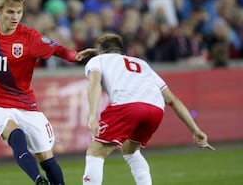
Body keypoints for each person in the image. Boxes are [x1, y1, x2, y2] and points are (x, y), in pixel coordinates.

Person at [0, 0, 96, 185]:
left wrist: (75, 55)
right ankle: (38, 180)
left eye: (19, 12)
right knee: (16, 135)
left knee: (46, 157)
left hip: (25, 105)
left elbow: (57, 49)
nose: (15, 17)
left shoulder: (30, 37)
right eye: (10, 12)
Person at [82, 33, 214, 185]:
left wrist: (92, 115)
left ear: (99, 51)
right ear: (123, 52)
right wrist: (195, 130)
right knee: (130, 150)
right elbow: (172, 100)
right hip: (156, 110)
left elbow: (94, 82)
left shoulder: (97, 60)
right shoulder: (142, 64)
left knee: (95, 152)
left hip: (128, 106)